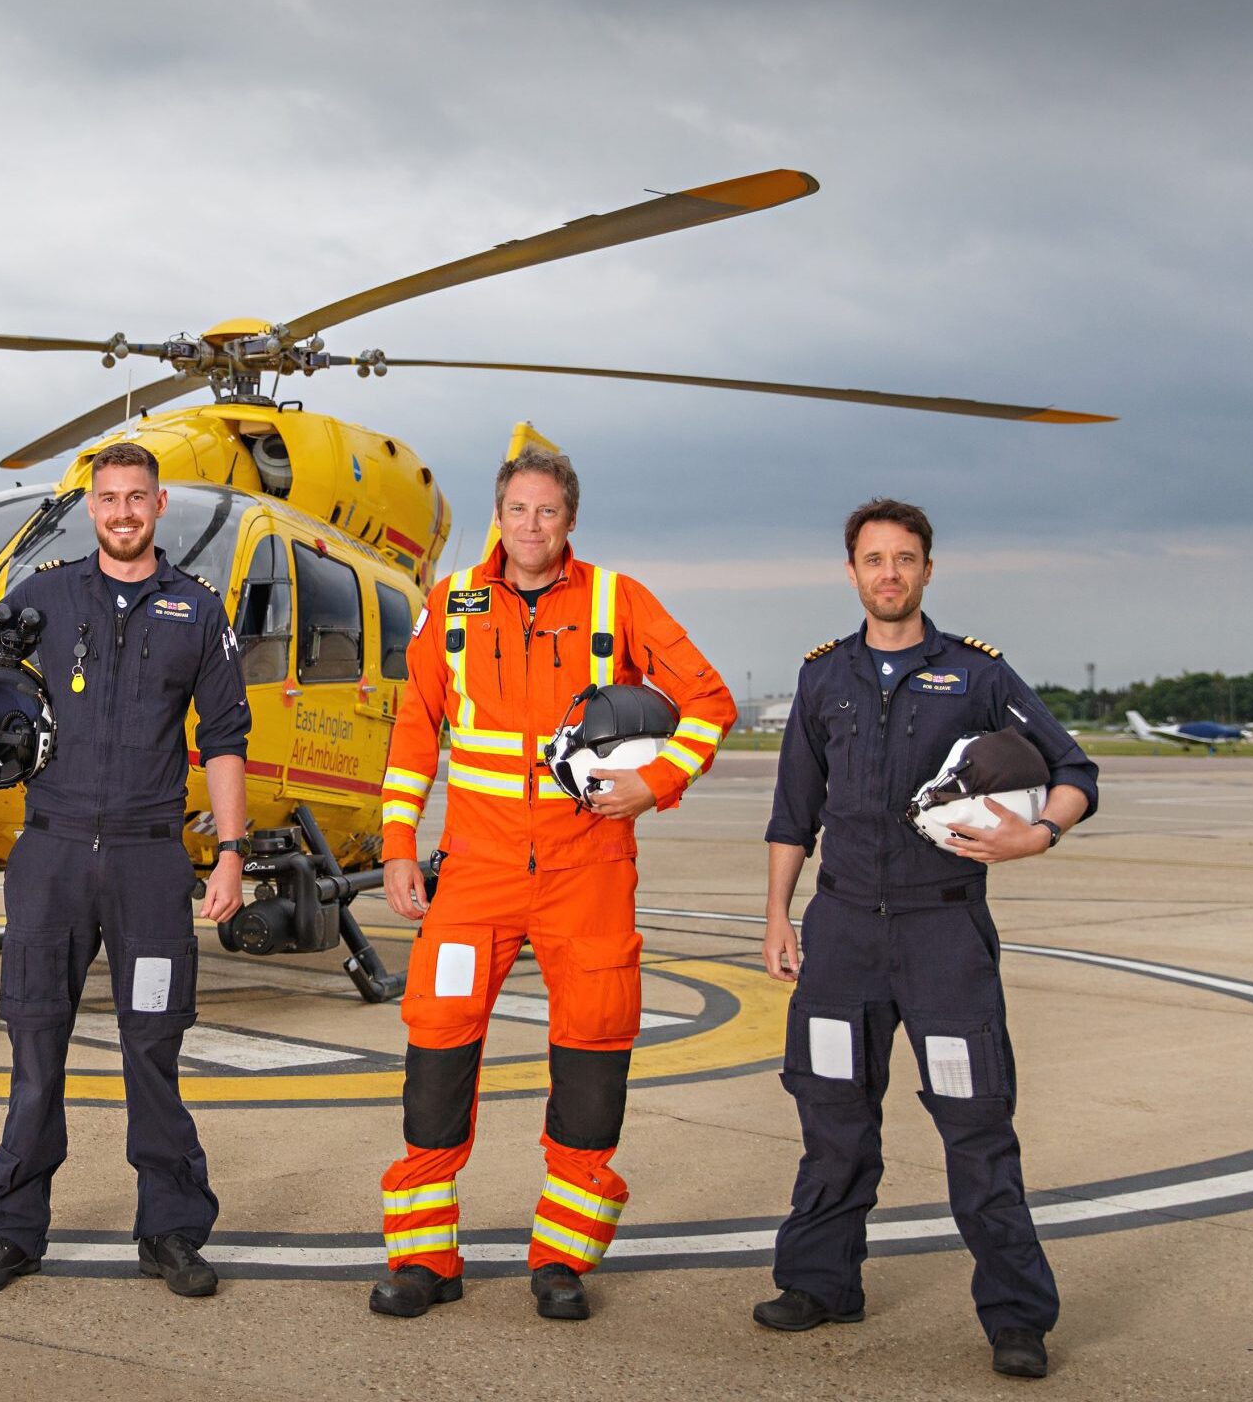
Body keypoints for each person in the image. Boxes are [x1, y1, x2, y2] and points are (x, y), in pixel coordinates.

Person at [370, 448, 736, 1320]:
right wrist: (395, 843)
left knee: (591, 1060)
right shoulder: (449, 602)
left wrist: (660, 781)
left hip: (589, 872)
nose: (531, 526)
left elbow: (711, 701)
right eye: (518, 510)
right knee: (437, 1056)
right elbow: (416, 727)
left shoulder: (622, 600)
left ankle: (562, 1259)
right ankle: (426, 1261)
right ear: (499, 515)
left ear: (570, 521)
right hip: (477, 874)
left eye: (548, 512)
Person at [757, 498, 1098, 1380]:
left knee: (976, 1126)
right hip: (839, 934)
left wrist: (1039, 834)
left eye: (905, 559)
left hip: (943, 929)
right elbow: (793, 812)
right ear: (853, 572)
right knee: (831, 1114)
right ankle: (821, 1282)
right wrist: (776, 917)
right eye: (874, 559)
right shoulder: (823, 678)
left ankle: (1017, 1317)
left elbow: (1073, 769)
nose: (889, 573)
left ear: (927, 571)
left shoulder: (976, 675)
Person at [0, 441, 252, 1298]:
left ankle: (172, 1230)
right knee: (36, 1049)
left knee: (153, 1046)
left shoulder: (196, 610)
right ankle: (12, 1231)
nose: (123, 512)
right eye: (108, 498)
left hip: (148, 860)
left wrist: (233, 854)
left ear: (158, 504)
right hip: (53, 855)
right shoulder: (46, 593)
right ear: (91, 507)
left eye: (137, 497)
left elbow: (224, 741)